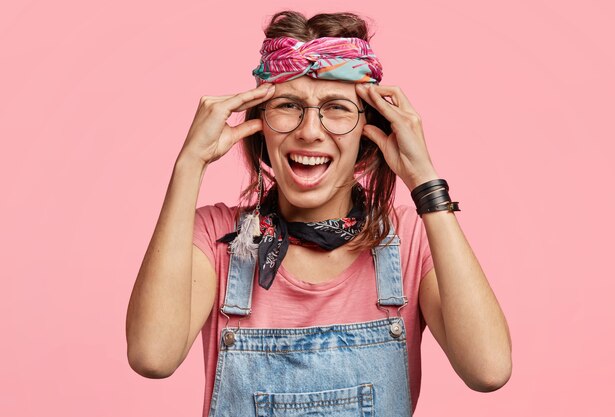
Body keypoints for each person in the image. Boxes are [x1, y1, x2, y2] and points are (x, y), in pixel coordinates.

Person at [126, 10, 512, 417]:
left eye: (337, 108)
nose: (310, 130)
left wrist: (425, 182)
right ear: (259, 123)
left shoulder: (412, 240)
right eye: (288, 105)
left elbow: (488, 370)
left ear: (370, 129)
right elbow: (153, 356)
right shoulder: (217, 237)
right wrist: (189, 164)